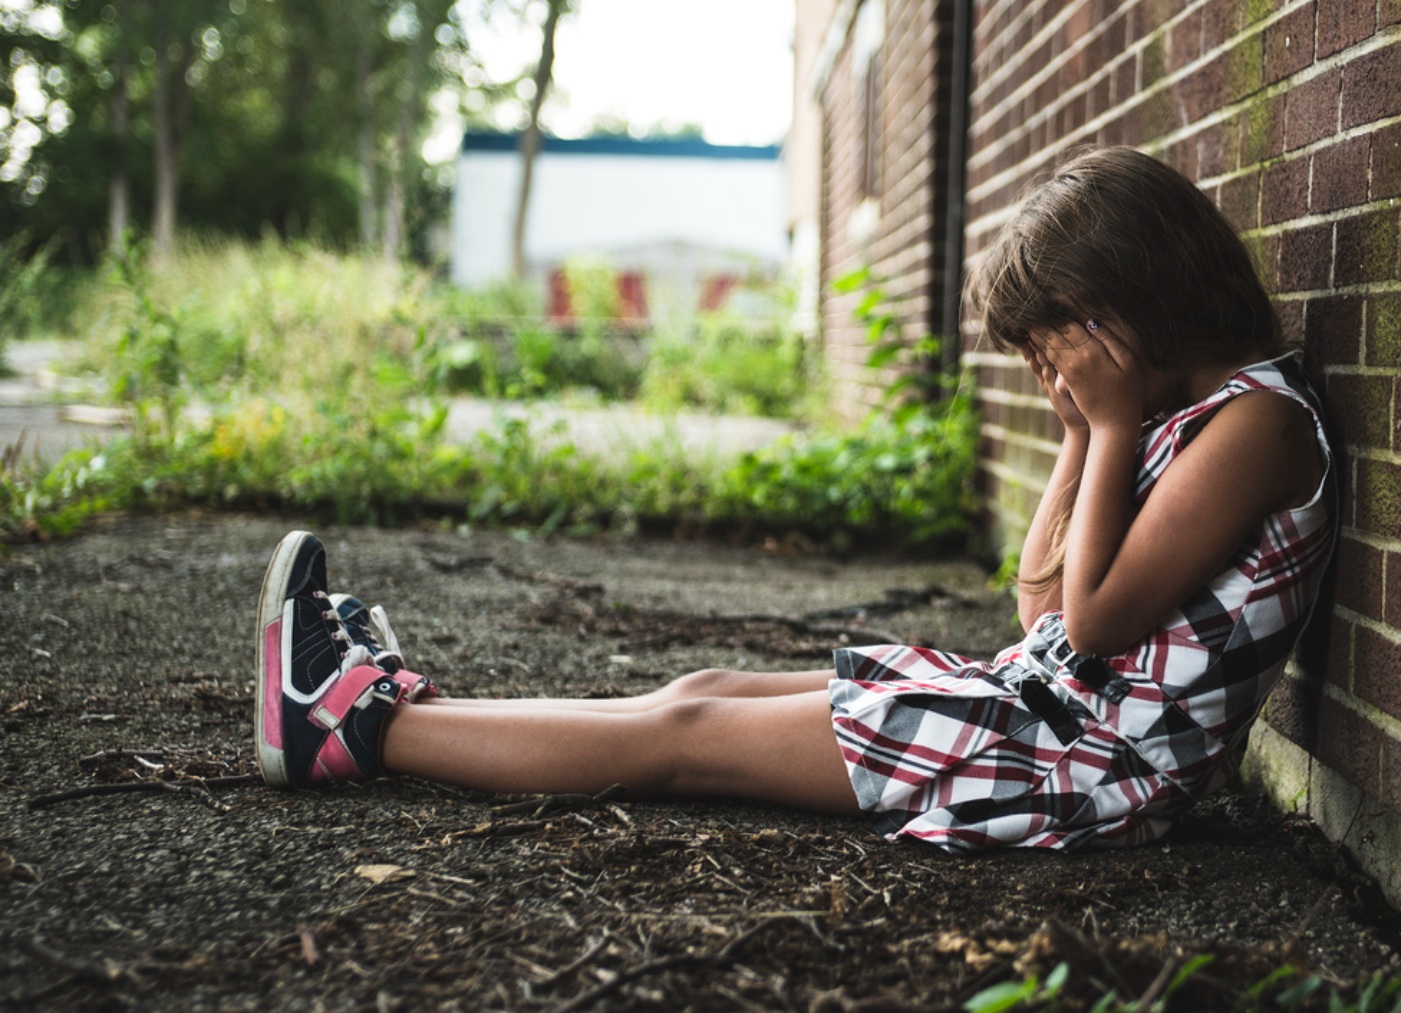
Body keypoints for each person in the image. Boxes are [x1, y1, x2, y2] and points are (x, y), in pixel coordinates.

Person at [253, 146, 1337, 852]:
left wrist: (1107, 429)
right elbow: (1040, 612)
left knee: (686, 731)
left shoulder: (1257, 422)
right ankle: (389, 706)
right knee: (704, 682)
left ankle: (357, 724)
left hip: (1086, 762)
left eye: (1056, 336)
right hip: (1039, 702)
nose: (1051, 367)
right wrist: (1074, 437)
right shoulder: (1172, 416)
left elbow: (1092, 625)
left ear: (1134, 295)